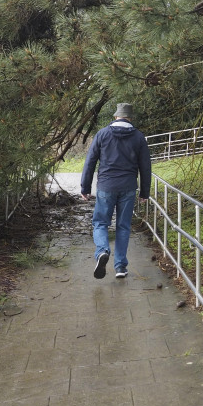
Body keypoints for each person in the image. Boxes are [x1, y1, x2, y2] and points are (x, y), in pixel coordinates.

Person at [80, 103, 151, 279]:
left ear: (115, 116)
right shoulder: (138, 137)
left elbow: (90, 162)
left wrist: (85, 188)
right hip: (128, 187)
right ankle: (120, 267)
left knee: (100, 223)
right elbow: (145, 166)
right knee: (123, 226)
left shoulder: (102, 134)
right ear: (130, 118)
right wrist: (144, 192)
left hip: (106, 186)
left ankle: (103, 251)